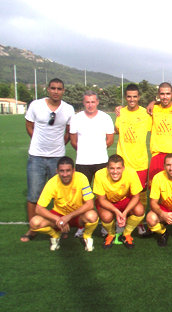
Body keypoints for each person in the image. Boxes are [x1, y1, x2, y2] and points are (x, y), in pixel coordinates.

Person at [22, 78, 75, 242]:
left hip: (57, 158)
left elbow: (68, 132)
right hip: (36, 157)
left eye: (59, 88)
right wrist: (38, 144)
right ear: (48, 89)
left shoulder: (68, 109)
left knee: (61, 194)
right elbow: (29, 126)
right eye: (53, 88)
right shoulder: (36, 105)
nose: (56, 91)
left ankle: (62, 226)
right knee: (34, 194)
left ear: (63, 91)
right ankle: (33, 228)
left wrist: (58, 146)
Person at [29, 156, 98, 251]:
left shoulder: (81, 178)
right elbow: (39, 209)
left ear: (73, 170)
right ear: (57, 171)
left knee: (92, 215)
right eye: (62, 171)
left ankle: (86, 236)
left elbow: (90, 204)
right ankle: (55, 235)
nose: (65, 174)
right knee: (34, 223)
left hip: (78, 216)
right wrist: (58, 219)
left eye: (68, 170)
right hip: (59, 216)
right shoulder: (52, 183)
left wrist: (68, 216)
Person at [70, 90, 114, 238]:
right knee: (82, 196)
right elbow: (74, 141)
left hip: (101, 161)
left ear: (97, 102)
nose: (90, 104)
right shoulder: (76, 118)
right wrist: (85, 152)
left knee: (102, 196)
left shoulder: (105, 118)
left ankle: (104, 225)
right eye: (87, 102)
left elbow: (110, 140)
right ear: (83, 102)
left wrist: (98, 150)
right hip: (82, 163)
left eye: (93, 101)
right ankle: (81, 225)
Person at [115, 83, 152, 234]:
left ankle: (139, 222)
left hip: (140, 162)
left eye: (134, 96)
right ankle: (122, 219)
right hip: (123, 163)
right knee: (124, 193)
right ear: (125, 97)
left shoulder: (146, 114)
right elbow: (116, 130)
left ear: (139, 97)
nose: (132, 99)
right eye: (129, 96)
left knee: (141, 193)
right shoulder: (120, 113)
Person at [93, 154, 145, 249]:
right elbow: (101, 200)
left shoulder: (131, 173)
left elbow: (136, 196)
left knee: (140, 210)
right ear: (107, 168)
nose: (115, 172)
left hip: (124, 200)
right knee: (106, 216)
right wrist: (117, 212)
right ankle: (111, 234)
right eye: (112, 168)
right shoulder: (99, 174)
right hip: (108, 202)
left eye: (118, 168)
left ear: (123, 168)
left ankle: (126, 234)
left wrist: (124, 213)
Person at [148, 82, 172, 184]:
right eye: (162, 94)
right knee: (155, 190)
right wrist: (153, 102)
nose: (165, 97)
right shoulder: (153, 110)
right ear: (158, 94)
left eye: (167, 94)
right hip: (157, 155)